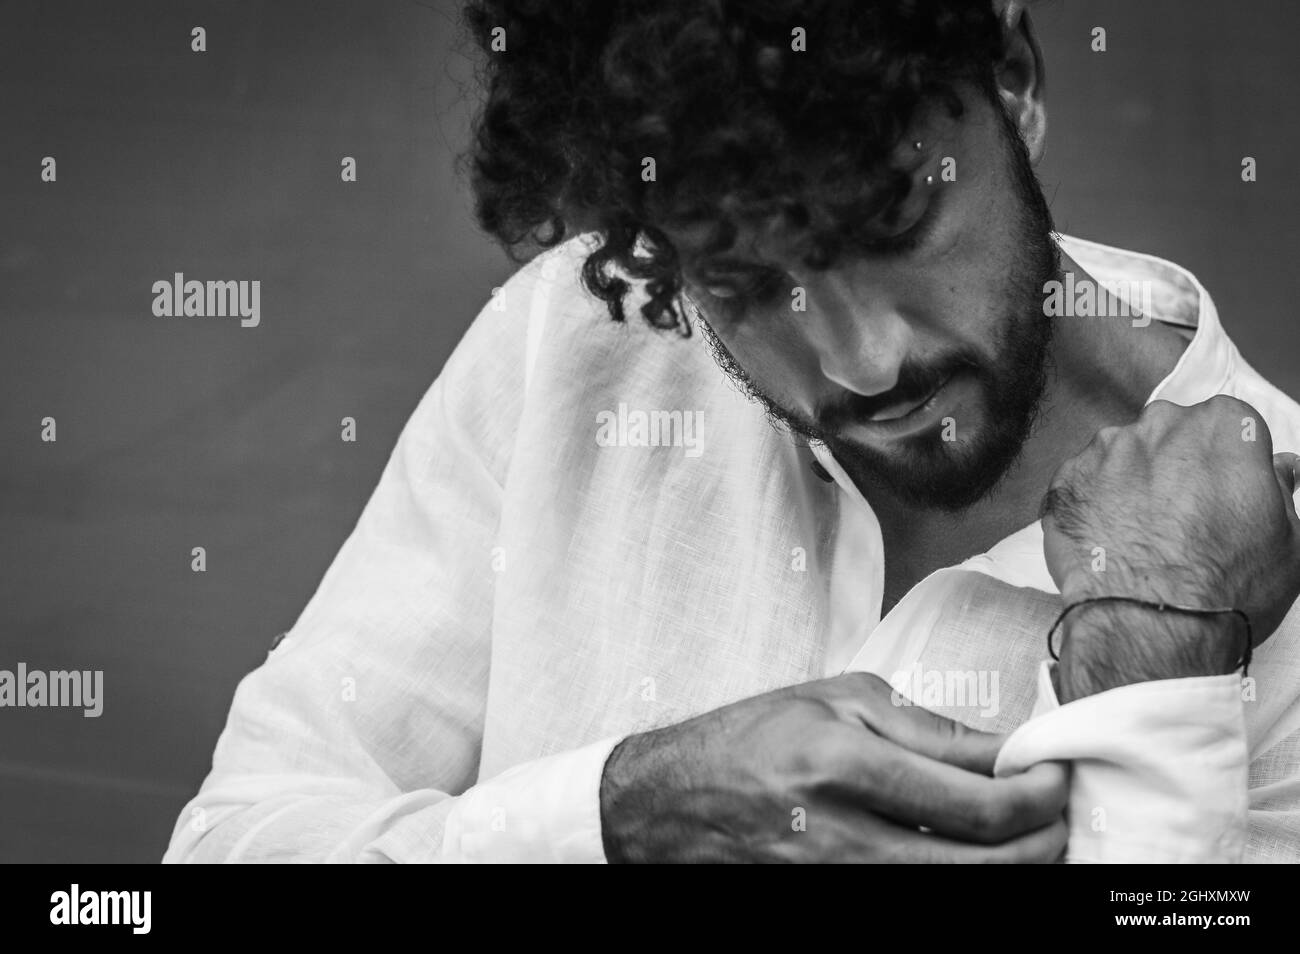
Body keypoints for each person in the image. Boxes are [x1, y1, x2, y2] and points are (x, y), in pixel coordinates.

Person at [164, 0, 1300, 863]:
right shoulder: (575, 342)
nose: (866, 364)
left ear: (1010, 79)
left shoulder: (1263, 562)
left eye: (894, 224)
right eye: (747, 284)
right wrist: (619, 814)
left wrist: (1153, 667)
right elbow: (232, 840)